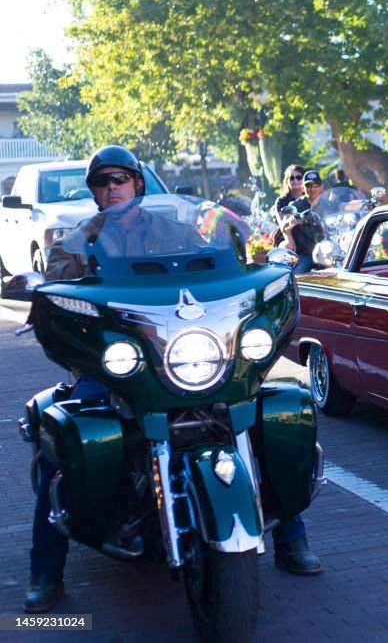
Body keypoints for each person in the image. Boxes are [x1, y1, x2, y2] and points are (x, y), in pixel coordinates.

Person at [25, 146, 322, 614]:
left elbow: (221, 260)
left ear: (137, 183)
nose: (111, 188)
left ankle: (291, 536)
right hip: (122, 364)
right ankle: (46, 569)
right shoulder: (80, 241)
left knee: (266, 417)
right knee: (67, 435)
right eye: (102, 182)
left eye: (119, 179)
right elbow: (57, 288)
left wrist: (248, 258)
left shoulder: (174, 229)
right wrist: (48, 291)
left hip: (186, 357)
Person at [279, 170, 328, 273]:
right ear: (302, 188)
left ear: (321, 187)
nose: (312, 188)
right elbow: (284, 226)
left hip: (326, 251)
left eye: (316, 185)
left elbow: (342, 207)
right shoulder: (296, 205)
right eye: (308, 185)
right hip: (306, 254)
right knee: (296, 276)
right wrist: (292, 221)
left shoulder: (327, 204)